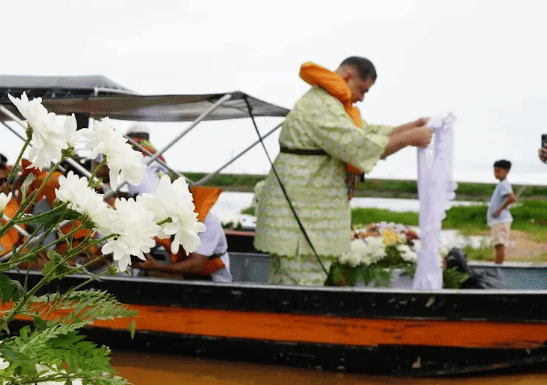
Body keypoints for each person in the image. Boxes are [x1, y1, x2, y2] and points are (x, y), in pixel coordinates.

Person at [253, 56, 433, 285]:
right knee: (302, 284)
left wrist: (412, 126)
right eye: (362, 89)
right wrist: (408, 139)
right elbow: (355, 144)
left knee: (294, 282)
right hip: (302, 217)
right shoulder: (320, 105)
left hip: (307, 215)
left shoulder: (331, 104)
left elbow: (365, 131)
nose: (362, 98)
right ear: (346, 76)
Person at [135, 189, 231, 282]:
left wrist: (156, 266)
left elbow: (197, 265)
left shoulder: (209, 223)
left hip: (212, 279)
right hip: (181, 272)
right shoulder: (163, 217)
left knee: (156, 274)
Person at [488, 159, 517, 264]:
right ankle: (498, 265)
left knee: (499, 245)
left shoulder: (504, 184)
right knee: (498, 245)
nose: (495, 174)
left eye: (498, 171)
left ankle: (498, 268)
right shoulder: (501, 184)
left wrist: (499, 209)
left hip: (500, 220)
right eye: (494, 171)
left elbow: (512, 198)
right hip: (498, 221)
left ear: (506, 171)